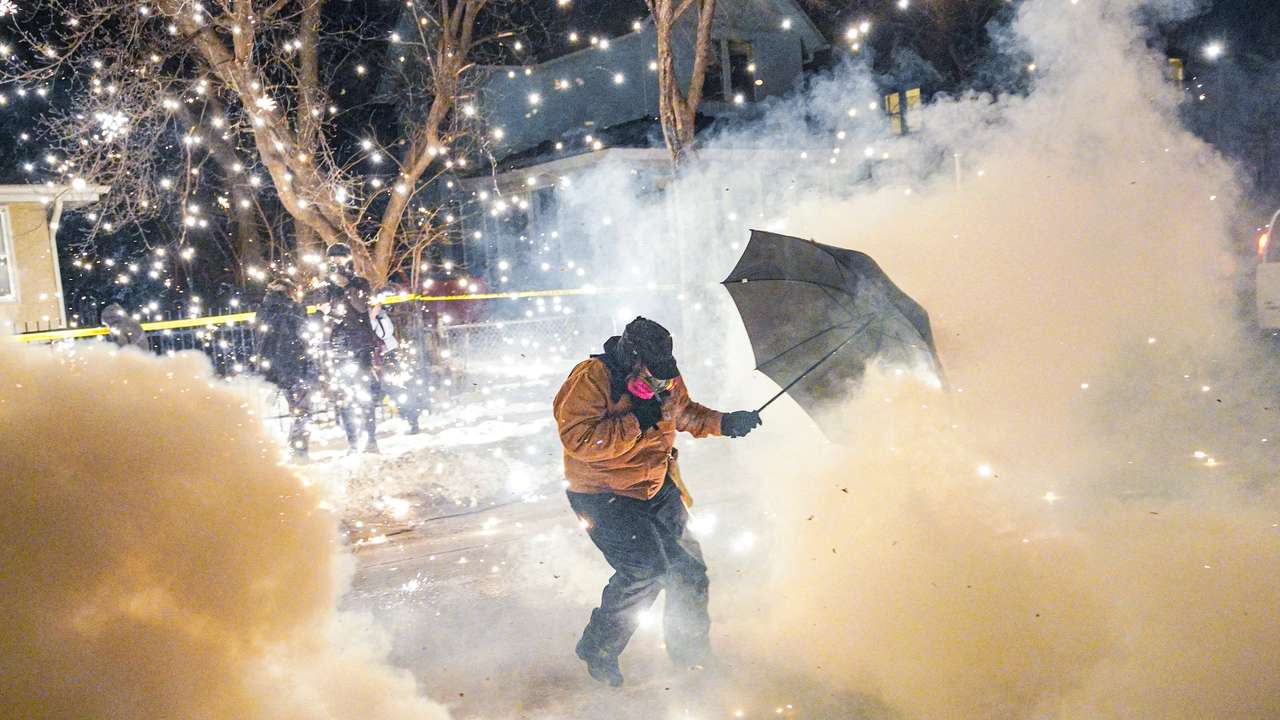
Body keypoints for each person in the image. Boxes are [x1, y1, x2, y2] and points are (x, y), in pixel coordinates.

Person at [552, 316, 762, 687]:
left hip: (655, 486)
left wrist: (725, 422)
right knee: (645, 571)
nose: (663, 382)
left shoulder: (665, 375)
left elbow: (683, 412)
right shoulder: (590, 379)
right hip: (603, 495)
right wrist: (636, 421)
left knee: (689, 572)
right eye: (653, 374)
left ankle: (691, 658)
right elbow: (580, 441)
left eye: (667, 374)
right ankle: (598, 647)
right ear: (631, 359)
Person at [306, 242, 382, 454]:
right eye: (332, 259)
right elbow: (322, 312)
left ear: (348, 259)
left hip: (360, 346)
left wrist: (346, 286)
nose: (336, 262)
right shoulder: (326, 287)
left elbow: (359, 307)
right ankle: (353, 443)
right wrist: (324, 299)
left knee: (363, 394)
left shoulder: (360, 283)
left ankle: (371, 441)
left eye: (339, 258)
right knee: (345, 397)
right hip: (339, 347)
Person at [255, 277, 315, 461]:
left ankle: (261, 452)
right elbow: (303, 335)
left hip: (271, 368)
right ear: (290, 291)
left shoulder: (263, 310)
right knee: (302, 411)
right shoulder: (295, 308)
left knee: (263, 412)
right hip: (294, 367)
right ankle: (298, 451)